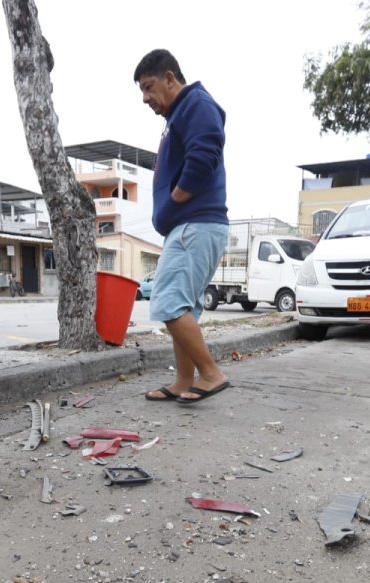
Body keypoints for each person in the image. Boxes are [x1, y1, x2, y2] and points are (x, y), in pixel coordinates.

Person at [135, 49, 231, 404]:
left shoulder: (195, 104)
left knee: (168, 300)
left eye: (149, 87)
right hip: (192, 226)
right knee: (182, 305)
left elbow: (204, 155)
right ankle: (183, 380)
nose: (145, 98)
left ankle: (211, 374)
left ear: (170, 78)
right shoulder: (182, 112)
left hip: (195, 224)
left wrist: (175, 200)